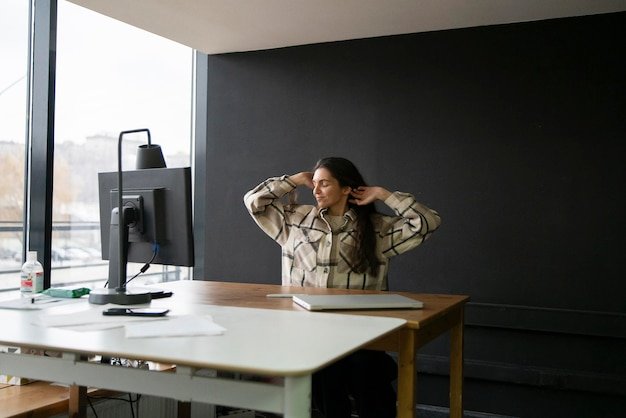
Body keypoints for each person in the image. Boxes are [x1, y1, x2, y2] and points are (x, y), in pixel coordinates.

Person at [243, 157, 441, 418]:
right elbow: (254, 201)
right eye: (314, 184)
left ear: (347, 188)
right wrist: (292, 180)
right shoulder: (294, 221)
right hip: (307, 333)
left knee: (363, 372)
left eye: (324, 183)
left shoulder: (377, 229)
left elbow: (427, 221)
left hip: (360, 335)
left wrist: (383, 194)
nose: (315, 190)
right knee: (327, 370)